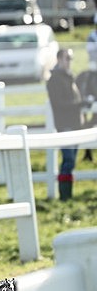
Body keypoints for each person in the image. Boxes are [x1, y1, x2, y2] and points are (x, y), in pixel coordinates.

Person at [46, 48, 87, 200]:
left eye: (70, 58)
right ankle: (64, 197)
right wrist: (78, 104)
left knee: (71, 161)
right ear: (59, 59)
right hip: (65, 124)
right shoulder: (55, 80)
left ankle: (67, 196)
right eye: (66, 58)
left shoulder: (69, 77)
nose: (69, 61)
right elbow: (58, 104)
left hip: (74, 124)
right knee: (68, 160)